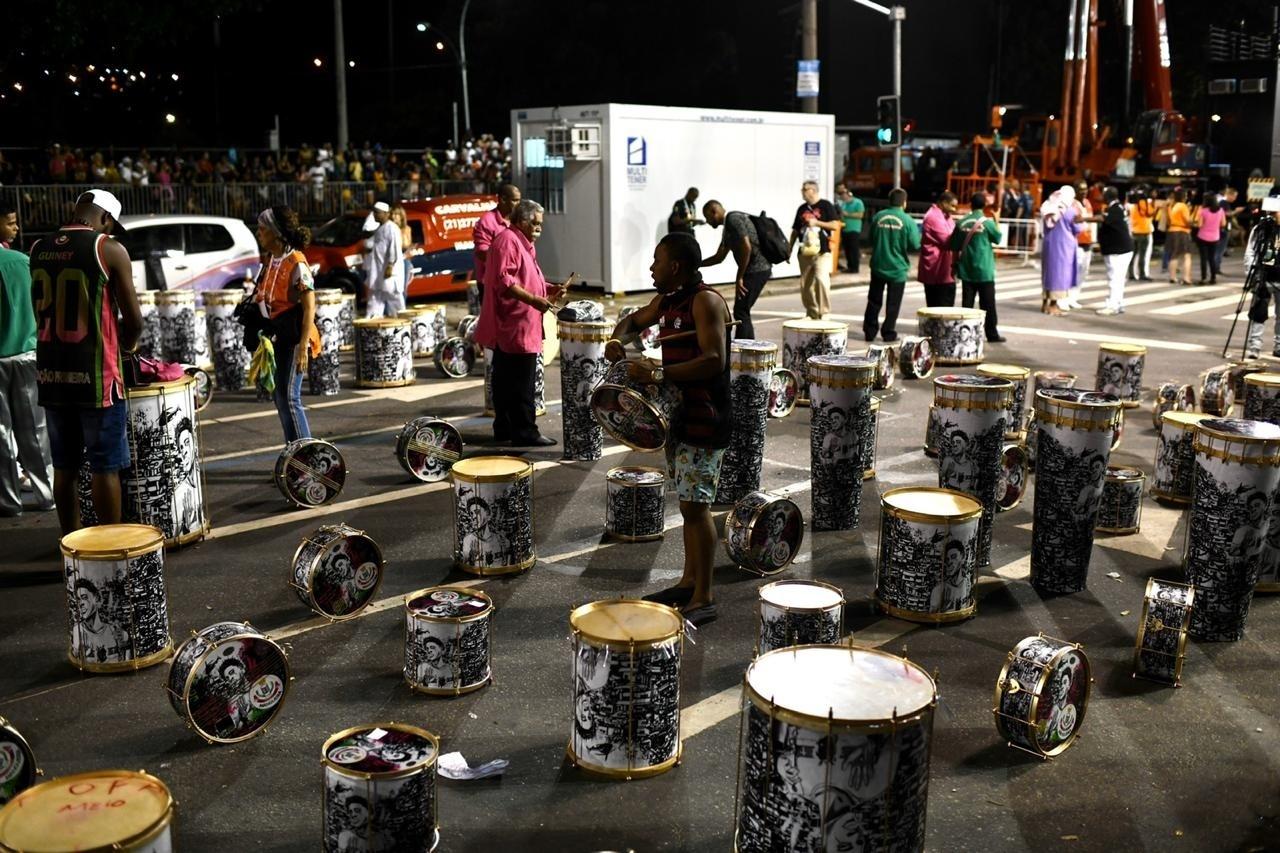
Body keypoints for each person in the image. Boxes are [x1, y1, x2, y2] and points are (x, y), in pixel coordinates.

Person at [605, 232, 732, 626]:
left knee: (697, 508)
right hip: (680, 417)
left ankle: (705, 596)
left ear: (675, 266)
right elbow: (633, 320)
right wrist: (617, 338)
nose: (651, 267)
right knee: (688, 506)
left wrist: (659, 370)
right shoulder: (667, 301)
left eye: (656, 260)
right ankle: (689, 581)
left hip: (705, 418)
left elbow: (714, 360)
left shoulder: (706, 301)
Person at [30, 190, 142, 534]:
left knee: (64, 468)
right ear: (105, 218)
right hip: (97, 377)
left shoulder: (37, 248)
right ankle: (107, 551)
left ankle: (71, 543)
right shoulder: (107, 249)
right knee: (104, 467)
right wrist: (130, 343)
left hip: (52, 374)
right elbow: (133, 318)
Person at [473, 200, 563, 447]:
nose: (539, 229)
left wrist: (550, 289)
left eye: (541, 225)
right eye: (535, 223)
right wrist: (535, 300)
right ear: (521, 220)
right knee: (521, 383)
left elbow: (526, 278)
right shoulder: (508, 241)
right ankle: (524, 431)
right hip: (515, 324)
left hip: (519, 322)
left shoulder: (522, 243)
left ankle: (504, 427)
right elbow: (505, 281)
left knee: (505, 380)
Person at [0, 206, 54, 516]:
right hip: (25, 356)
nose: (16, 227)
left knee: (1, 433)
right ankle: (47, 494)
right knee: (35, 429)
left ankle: (8, 501)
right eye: (10, 222)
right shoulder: (21, 262)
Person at [253, 206, 321, 446]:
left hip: (295, 338)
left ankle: (306, 456)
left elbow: (309, 307)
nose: (259, 233)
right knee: (280, 397)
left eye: (263, 229)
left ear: (276, 233)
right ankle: (294, 452)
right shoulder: (272, 259)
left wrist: (303, 346)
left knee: (290, 397)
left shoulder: (297, 263)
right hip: (278, 336)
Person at [700, 201, 771, 339]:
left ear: (714, 211)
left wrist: (739, 277)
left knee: (741, 311)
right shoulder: (728, 227)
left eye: (707, 217)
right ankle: (746, 348)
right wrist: (696, 264)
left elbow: (746, 247)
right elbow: (719, 257)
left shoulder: (733, 219)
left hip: (757, 268)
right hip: (756, 270)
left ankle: (745, 350)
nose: (707, 222)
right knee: (742, 311)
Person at [866, 188, 921, 342]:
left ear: (889, 201)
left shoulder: (878, 216)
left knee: (873, 301)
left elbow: (871, 239)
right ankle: (888, 332)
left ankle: (869, 331)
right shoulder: (908, 220)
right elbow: (915, 244)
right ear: (904, 202)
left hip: (878, 266)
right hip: (898, 269)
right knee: (893, 304)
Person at [952, 193, 1005, 341]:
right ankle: (992, 334)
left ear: (970, 204)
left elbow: (954, 247)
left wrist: (954, 266)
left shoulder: (962, 223)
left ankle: (964, 335)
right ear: (984, 206)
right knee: (988, 305)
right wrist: (997, 220)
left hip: (967, 270)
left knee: (967, 305)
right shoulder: (987, 223)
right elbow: (998, 238)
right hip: (985, 271)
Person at [788, 181, 841, 319]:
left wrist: (817, 222)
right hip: (804, 251)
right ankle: (812, 312)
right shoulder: (801, 209)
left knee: (822, 280)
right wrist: (788, 249)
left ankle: (824, 312)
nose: (802, 192)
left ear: (813, 190)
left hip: (822, 251)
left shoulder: (825, 205)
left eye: (805, 189)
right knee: (805, 285)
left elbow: (835, 225)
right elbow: (795, 230)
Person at [1039, 185, 1084, 315]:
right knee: (1059, 275)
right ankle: (1053, 306)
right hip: (1064, 248)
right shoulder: (1069, 211)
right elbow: (1078, 228)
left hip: (1048, 245)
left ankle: (1045, 304)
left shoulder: (1049, 207)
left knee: (1047, 273)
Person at [472, 183, 521, 301]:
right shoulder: (486, 222)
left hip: (514, 283)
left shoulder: (517, 220)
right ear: (503, 199)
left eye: (519, 200)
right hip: (491, 284)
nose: (518, 204)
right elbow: (481, 253)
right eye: (515, 200)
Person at [1097, 186, 1135, 315]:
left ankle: (1112, 305)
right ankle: (1118, 303)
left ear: (1107, 197)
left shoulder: (1114, 209)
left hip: (1117, 250)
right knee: (1119, 278)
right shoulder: (1119, 207)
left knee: (1114, 278)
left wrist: (1083, 219)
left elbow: (1104, 220)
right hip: (1124, 249)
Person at [363, 201, 405, 317]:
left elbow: (395, 248)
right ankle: (372, 327)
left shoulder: (392, 228)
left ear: (386, 214)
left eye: (377, 213)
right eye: (374, 213)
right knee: (375, 300)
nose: (375, 215)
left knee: (394, 300)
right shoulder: (380, 229)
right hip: (378, 272)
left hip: (388, 272)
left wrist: (390, 265)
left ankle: (400, 326)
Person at [918, 191, 958, 307]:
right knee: (939, 310)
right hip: (936, 273)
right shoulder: (933, 217)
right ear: (944, 203)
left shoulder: (946, 216)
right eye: (952, 205)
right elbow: (949, 240)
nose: (954, 209)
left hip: (945, 272)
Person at [1066, 180, 1094, 309]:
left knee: (1084, 272)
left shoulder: (1087, 203)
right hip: (1076, 242)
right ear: (1075, 190)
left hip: (1088, 241)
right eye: (1081, 189)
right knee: (1074, 271)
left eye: (1086, 189)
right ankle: (1068, 297)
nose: (1084, 192)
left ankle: (1074, 297)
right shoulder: (1072, 204)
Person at [1195, 194, 1227, 284]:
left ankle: (1203, 278)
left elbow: (1199, 225)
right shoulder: (1221, 211)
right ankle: (1213, 278)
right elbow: (1223, 224)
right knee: (1211, 258)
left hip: (1202, 237)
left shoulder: (1203, 211)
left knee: (1203, 258)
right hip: (1215, 237)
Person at [1165, 188, 1194, 285]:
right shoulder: (1183, 206)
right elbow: (1187, 221)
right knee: (1187, 256)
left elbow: (1168, 221)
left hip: (1172, 231)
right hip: (1182, 231)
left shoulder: (1171, 206)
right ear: (1183, 197)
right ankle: (1186, 278)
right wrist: (1193, 223)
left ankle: (1172, 277)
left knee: (1174, 255)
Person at [1127, 187, 1157, 281]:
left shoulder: (1133, 206)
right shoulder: (1146, 204)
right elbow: (1151, 213)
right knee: (1143, 255)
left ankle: (1131, 274)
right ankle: (1142, 274)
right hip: (1144, 232)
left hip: (1134, 232)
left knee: (1133, 254)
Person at [836, 184, 864, 274]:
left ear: (849, 194)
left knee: (854, 249)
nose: (841, 197)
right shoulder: (843, 204)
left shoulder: (858, 202)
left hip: (854, 229)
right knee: (847, 249)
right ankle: (850, 266)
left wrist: (847, 214)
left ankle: (855, 267)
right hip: (845, 229)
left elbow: (860, 215)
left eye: (843, 194)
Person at [390, 204, 415, 286]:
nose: (393, 216)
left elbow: (406, 244)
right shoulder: (389, 229)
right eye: (392, 214)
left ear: (401, 216)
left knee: (402, 288)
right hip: (391, 261)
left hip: (403, 260)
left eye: (396, 214)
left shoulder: (406, 229)